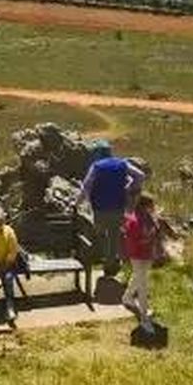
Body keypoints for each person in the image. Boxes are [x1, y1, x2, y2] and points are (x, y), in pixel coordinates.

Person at [78, 143, 145, 277]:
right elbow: (140, 176)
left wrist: (77, 202)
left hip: (99, 208)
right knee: (114, 236)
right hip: (118, 206)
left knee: (100, 235)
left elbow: (86, 186)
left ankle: (101, 262)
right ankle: (110, 266)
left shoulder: (96, 167)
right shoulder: (122, 164)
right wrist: (129, 188)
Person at [121, 193, 160, 335]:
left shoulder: (150, 218)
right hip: (137, 256)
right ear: (144, 206)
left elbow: (155, 231)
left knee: (138, 278)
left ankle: (126, 297)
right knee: (143, 285)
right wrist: (145, 240)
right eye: (151, 205)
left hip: (147, 254)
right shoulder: (133, 220)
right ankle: (144, 318)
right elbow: (130, 240)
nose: (153, 208)